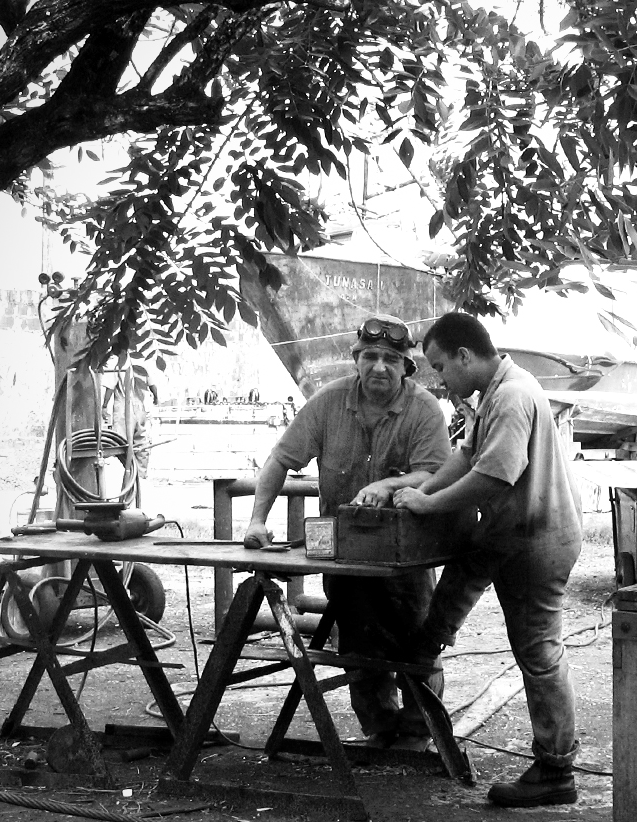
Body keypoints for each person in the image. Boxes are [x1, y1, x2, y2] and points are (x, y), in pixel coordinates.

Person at [393, 312, 582, 808]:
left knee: (538, 651)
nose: (440, 379)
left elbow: (494, 475)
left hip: (537, 539)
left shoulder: (514, 395)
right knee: (444, 607)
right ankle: (415, 700)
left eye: (440, 367)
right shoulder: (494, 394)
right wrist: (421, 491)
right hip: (504, 533)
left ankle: (556, 770)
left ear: (464, 356)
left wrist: (430, 505)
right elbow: (466, 457)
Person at [243, 314, 450, 752]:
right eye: (370, 356)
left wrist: (389, 485)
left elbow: (436, 473)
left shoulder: (425, 409)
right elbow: (280, 460)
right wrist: (257, 520)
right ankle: (380, 728)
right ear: (356, 359)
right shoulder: (328, 402)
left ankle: (418, 732)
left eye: (391, 359)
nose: (380, 367)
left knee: (417, 640)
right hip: (342, 551)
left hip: (405, 554)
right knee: (357, 642)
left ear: (407, 366)